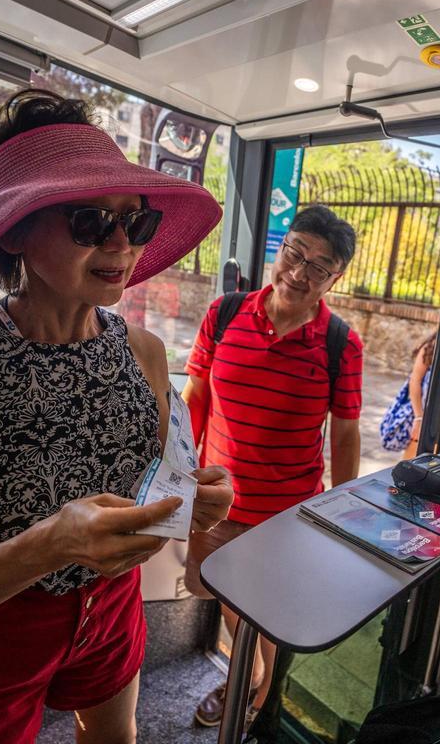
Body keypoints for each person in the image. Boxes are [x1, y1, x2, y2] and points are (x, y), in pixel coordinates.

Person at [0, 88, 234, 744]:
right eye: (91, 220)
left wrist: (191, 502)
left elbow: (154, 487)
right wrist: (43, 547)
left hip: (112, 609)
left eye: (136, 221)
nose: (122, 244)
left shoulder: (144, 352)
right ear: (15, 229)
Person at [183, 205, 364, 728]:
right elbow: (196, 397)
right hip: (215, 504)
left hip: (289, 516)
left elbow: (347, 432)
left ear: (336, 278)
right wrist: (176, 475)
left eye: (319, 266)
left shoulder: (340, 344)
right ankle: (254, 680)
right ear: (279, 249)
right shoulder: (225, 313)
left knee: (273, 614)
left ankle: (257, 701)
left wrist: (344, 513)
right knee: (222, 594)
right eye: (294, 254)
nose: (299, 273)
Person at [380, 331, 437, 459]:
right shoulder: (433, 346)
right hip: (426, 416)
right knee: (412, 460)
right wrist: (418, 417)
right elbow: (415, 380)